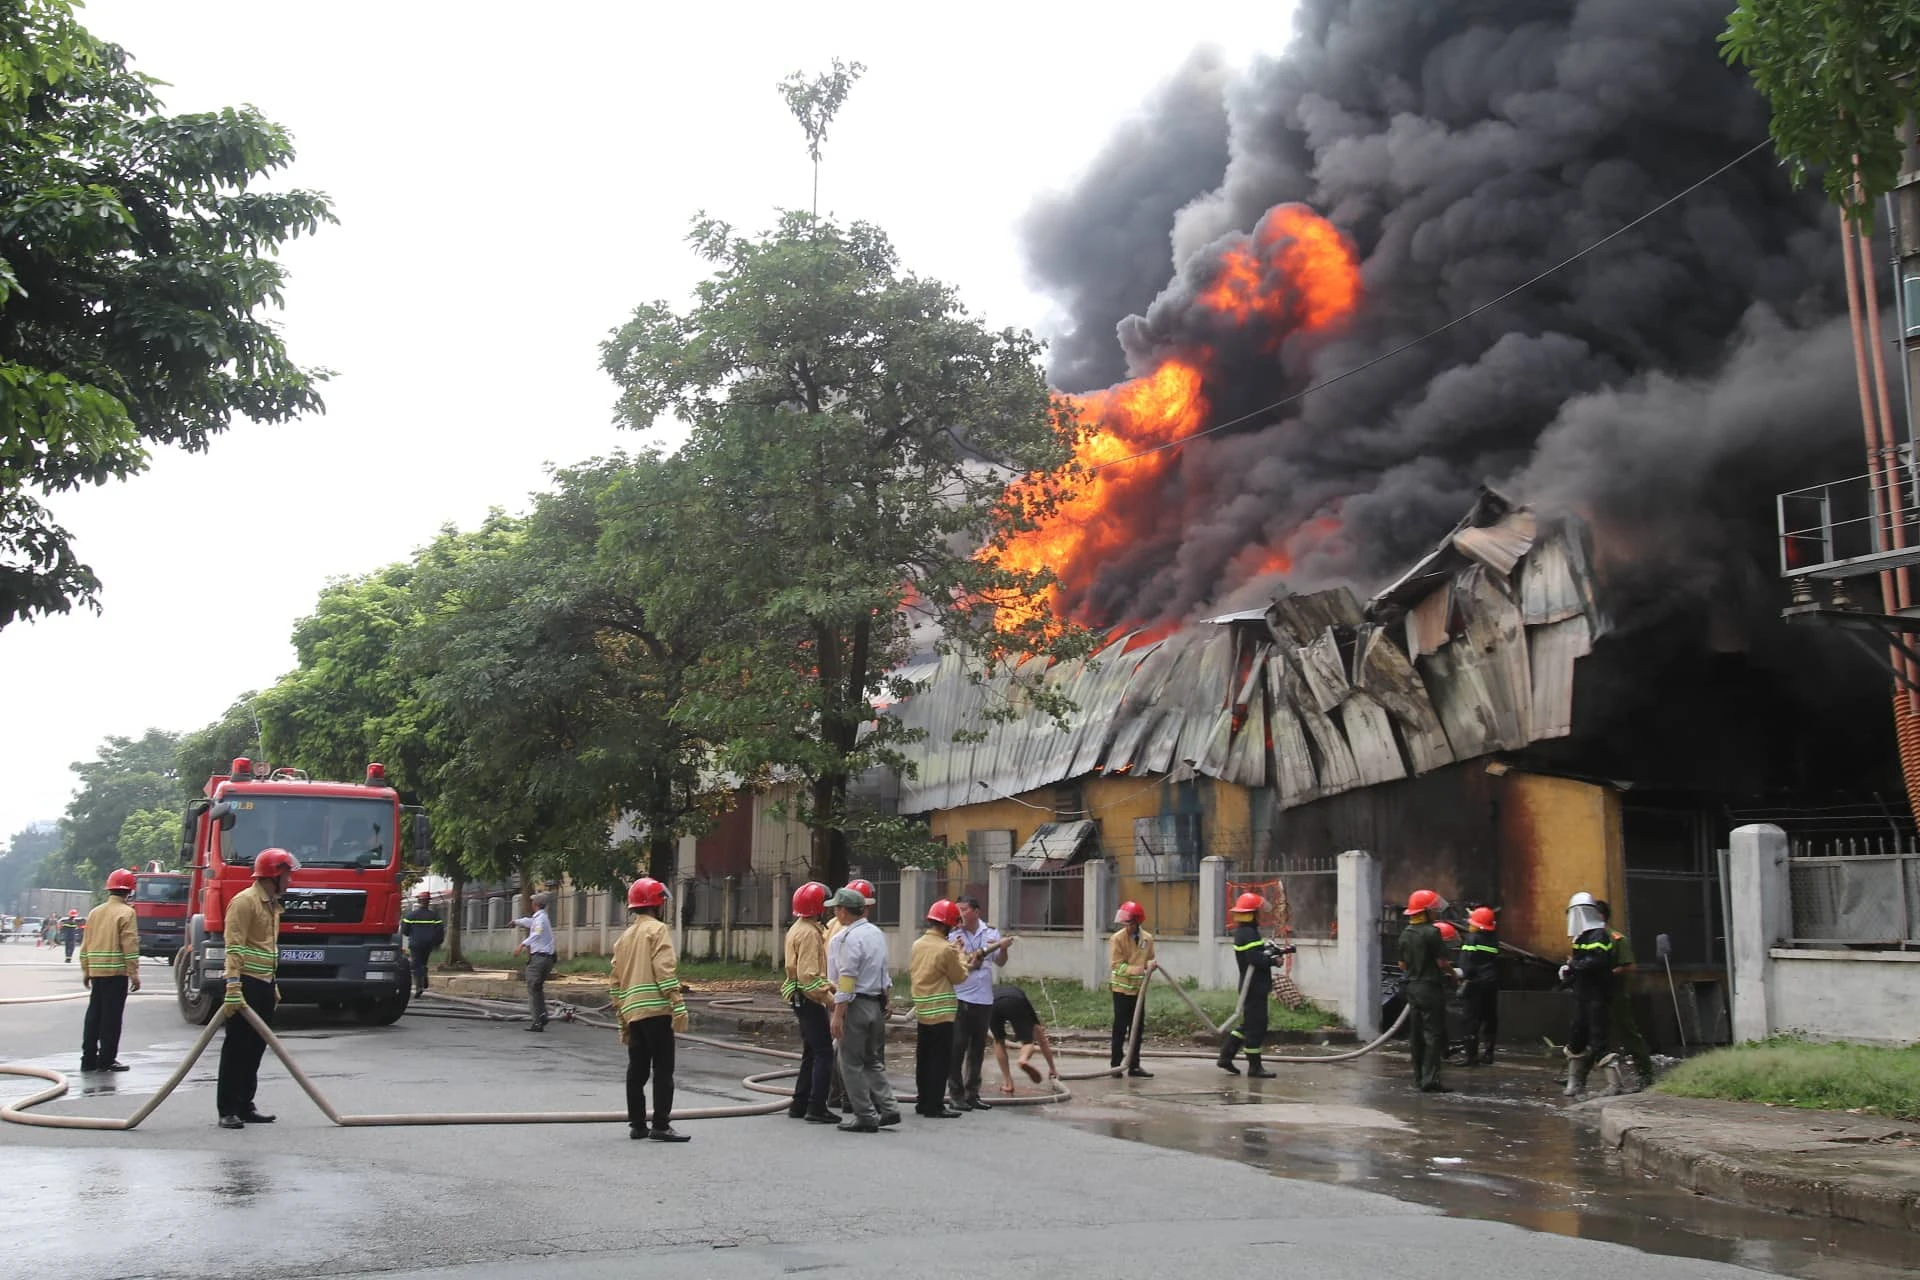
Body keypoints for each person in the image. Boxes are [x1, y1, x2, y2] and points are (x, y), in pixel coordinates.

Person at [218, 848, 295, 1129]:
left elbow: (266, 949)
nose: (290, 880)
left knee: (255, 1048)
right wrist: (233, 986)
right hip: (246, 983)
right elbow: (234, 946)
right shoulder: (244, 902)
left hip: (263, 984)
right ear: (273, 875)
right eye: (286, 875)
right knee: (236, 1048)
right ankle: (228, 1109)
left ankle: (245, 1105)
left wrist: (272, 984)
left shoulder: (272, 905)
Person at [611, 876, 691, 1142]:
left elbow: (615, 982)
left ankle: (637, 1125)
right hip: (657, 1011)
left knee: (637, 1070)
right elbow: (664, 969)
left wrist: (622, 1018)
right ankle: (661, 1124)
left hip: (633, 1013)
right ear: (656, 903)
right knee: (663, 1070)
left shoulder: (624, 938)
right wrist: (677, 1003)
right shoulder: (657, 930)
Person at [826, 886, 900, 1133]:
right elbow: (884, 971)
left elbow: (846, 978)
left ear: (844, 911)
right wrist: (886, 1000)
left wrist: (838, 1014)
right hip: (875, 1003)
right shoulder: (876, 934)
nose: (835, 913)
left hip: (855, 1005)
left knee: (850, 1063)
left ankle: (865, 1115)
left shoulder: (846, 939)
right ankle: (889, 1107)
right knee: (872, 1060)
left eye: (836, 909)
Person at [946, 895, 1010, 1111]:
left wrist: (1003, 949)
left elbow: (1000, 961)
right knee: (957, 1047)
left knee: (978, 1049)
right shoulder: (953, 934)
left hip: (984, 998)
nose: (960, 914)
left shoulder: (990, 932)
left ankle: (972, 1093)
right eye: (958, 910)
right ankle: (956, 1094)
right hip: (960, 996)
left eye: (964, 909)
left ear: (976, 911)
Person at [781, 880, 838, 1123]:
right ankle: (817, 1107)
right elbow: (809, 977)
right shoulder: (810, 934)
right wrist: (831, 1000)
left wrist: (830, 988)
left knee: (811, 1052)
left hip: (799, 998)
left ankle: (799, 1104)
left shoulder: (798, 928)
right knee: (824, 1052)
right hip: (809, 999)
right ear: (817, 907)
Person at [910, 900, 969, 1120]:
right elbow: (959, 976)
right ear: (947, 925)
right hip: (942, 1013)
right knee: (940, 1060)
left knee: (924, 1058)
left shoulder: (918, 944)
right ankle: (934, 1105)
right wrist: (961, 954)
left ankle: (922, 1101)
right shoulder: (946, 949)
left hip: (922, 1009)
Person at [79, 868, 141, 1073]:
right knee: (111, 1018)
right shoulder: (127, 912)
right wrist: (133, 973)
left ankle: (88, 1059)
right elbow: (129, 944)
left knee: (94, 1015)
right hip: (116, 974)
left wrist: (86, 970)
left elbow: (86, 944)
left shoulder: (95, 912)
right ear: (129, 891)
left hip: (96, 973)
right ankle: (106, 1059)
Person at [822, 877, 876, 1114]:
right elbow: (847, 973)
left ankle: (836, 1095)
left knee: (840, 1047)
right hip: (845, 996)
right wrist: (839, 1007)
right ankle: (847, 1097)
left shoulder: (835, 925)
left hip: (836, 992)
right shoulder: (846, 933)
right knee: (846, 1049)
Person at [1560, 891, 1619, 1098]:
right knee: (1576, 1037)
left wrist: (1573, 965)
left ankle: (1615, 1084)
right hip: (1582, 995)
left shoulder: (1599, 935)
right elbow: (1581, 966)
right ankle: (1575, 1083)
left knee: (1598, 1039)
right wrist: (1568, 974)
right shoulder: (1582, 938)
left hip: (1597, 996)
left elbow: (1596, 961)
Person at [1397, 888, 1454, 1093]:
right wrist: (1453, 974)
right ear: (1425, 912)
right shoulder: (1432, 932)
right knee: (1433, 1034)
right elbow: (1441, 962)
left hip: (1412, 988)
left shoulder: (1405, 934)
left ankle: (1419, 1077)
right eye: (1432, 909)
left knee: (1417, 1035)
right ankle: (1431, 1080)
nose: (1435, 912)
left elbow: (1402, 965)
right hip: (1430, 988)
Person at [1217, 891, 1279, 1078]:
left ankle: (1226, 1056)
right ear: (1252, 914)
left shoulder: (1245, 932)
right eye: (1259, 912)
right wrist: (1273, 961)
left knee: (1249, 1024)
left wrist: (1268, 950)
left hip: (1251, 986)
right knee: (1256, 1027)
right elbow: (1254, 958)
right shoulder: (1249, 933)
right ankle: (1254, 1067)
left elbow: (1254, 953)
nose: (1261, 915)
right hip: (1253, 987)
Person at [1593, 899, 1652, 1091]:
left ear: (1601, 916)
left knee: (1628, 1034)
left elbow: (1629, 966)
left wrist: (1608, 973)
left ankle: (1646, 1075)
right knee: (1593, 1034)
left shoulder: (1617, 939)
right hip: (1595, 995)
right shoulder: (1588, 939)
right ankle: (1579, 1077)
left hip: (1615, 994)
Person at [1107, 900, 1155, 1078]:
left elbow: (1150, 958)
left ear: (1137, 922)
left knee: (1137, 1029)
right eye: (1125, 924)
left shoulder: (1147, 939)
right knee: (1120, 1028)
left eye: (1129, 923)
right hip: (1121, 991)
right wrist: (1138, 970)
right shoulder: (1117, 939)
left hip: (1138, 991)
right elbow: (1116, 965)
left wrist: (1151, 965)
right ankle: (1115, 1065)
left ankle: (1134, 1065)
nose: (1127, 927)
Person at [990, 982, 1059, 1095]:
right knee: (1028, 1042)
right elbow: (1042, 1040)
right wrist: (1052, 1069)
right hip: (1015, 1001)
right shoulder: (1019, 995)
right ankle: (1023, 1059)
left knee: (998, 1041)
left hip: (992, 1002)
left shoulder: (991, 990)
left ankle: (1008, 1083)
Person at [1458, 906, 1501, 1066]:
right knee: (1489, 1017)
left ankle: (1471, 1056)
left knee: (1470, 1019)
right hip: (1491, 983)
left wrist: (1463, 977)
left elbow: (1466, 963)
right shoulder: (1493, 939)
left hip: (1475, 983)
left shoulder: (1472, 938)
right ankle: (1488, 1054)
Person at [511, 891, 556, 1031]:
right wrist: (516, 922)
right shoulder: (541, 918)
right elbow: (529, 922)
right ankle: (542, 1015)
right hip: (547, 959)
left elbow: (537, 932)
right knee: (537, 988)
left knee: (532, 988)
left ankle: (537, 1021)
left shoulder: (540, 919)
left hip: (539, 959)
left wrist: (522, 945)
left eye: (532, 902)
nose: (531, 903)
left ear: (535, 904)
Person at [400, 890, 445, 998]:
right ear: (428, 902)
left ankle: (419, 986)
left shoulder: (410, 916)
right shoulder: (434, 916)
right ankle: (424, 974)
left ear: (419, 901)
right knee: (423, 962)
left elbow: (404, 930)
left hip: (415, 943)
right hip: (428, 943)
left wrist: (411, 935)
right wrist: (437, 942)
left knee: (416, 964)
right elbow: (440, 930)